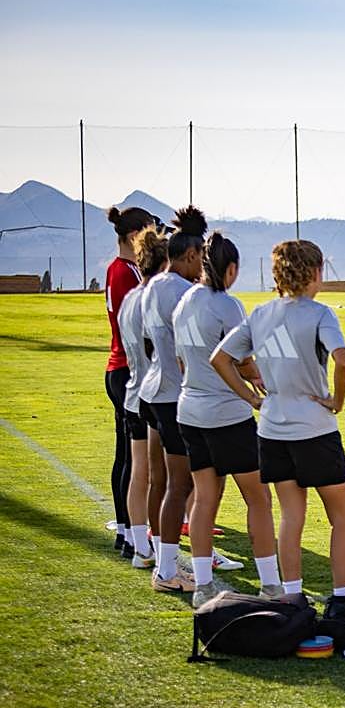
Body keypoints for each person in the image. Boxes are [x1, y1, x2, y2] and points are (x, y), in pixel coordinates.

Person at [213, 239, 345, 621]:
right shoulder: (321, 313)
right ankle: (342, 598)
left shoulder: (260, 314)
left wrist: (253, 399)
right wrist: (337, 400)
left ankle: (292, 598)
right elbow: (343, 361)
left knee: (292, 516)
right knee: (341, 516)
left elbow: (220, 359)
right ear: (315, 273)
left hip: (273, 430)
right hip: (315, 427)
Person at [174, 231, 283, 607]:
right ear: (231, 268)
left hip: (189, 411)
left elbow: (184, 360)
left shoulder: (184, 300)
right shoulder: (228, 305)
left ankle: (203, 585)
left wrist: (250, 376)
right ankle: (270, 584)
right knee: (259, 498)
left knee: (205, 499)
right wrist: (255, 394)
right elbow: (233, 356)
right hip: (226, 416)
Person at [139, 206, 207, 594]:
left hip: (154, 389)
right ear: (192, 255)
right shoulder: (182, 290)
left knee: (167, 482)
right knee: (182, 486)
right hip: (173, 396)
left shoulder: (152, 285)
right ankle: (167, 570)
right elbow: (193, 349)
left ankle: (165, 560)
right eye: (201, 260)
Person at [104, 205, 156, 558]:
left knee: (129, 455)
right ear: (135, 234)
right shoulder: (123, 273)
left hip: (125, 367)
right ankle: (127, 530)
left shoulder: (127, 270)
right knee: (131, 458)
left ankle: (128, 529)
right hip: (126, 369)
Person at [116, 223, 167, 570]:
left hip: (134, 391)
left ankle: (140, 546)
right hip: (155, 393)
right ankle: (164, 552)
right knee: (167, 476)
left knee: (139, 471)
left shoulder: (131, 297)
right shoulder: (153, 298)